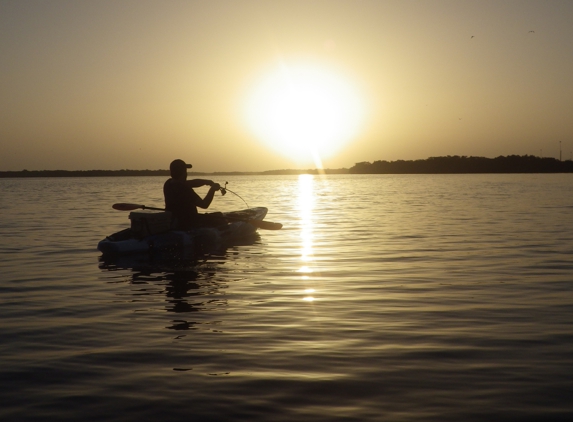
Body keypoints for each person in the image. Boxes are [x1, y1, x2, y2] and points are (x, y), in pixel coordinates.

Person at [163, 159, 224, 229]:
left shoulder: (168, 184)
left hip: (174, 221)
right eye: (185, 171)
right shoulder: (185, 190)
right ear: (184, 173)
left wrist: (206, 182)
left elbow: (191, 183)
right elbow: (204, 204)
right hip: (189, 223)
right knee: (219, 216)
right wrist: (212, 190)